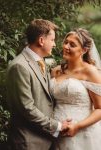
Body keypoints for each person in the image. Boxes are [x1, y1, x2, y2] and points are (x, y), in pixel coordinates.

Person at [6, 19, 70, 150]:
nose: (54, 44)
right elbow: (26, 108)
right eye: (52, 40)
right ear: (41, 41)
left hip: (47, 139)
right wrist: (57, 126)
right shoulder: (19, 66)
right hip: (29, 141)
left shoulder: (44, 61)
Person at [50, 28, 101, 150]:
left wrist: (77, 126)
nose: (66, 46)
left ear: (84, 50)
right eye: (66, 42)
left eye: (72, 45)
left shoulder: (90, 72)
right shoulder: (55, 71)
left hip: (81, 133)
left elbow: (99, 109)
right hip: (55, 132)